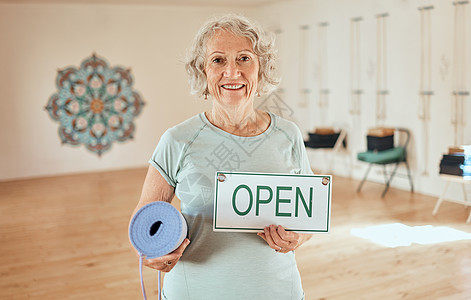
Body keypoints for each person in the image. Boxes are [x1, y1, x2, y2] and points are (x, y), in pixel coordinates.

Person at [131, 14, 314, 300]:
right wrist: (151, 253)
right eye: (218, 60)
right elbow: (144, 221)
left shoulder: (288, 135)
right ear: (203, 71)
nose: (232, 72)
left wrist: (297, 238)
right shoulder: (177, 140)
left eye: (244, 58)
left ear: (260, 68)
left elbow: (307, 221)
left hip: (278, 291)